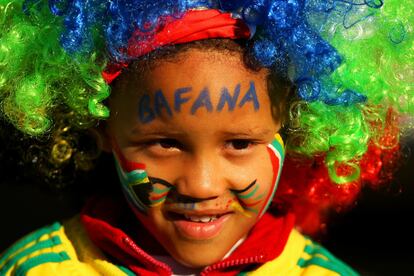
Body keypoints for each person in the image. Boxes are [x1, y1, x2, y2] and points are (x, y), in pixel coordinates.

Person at [0, 0, 412, 275]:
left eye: (239, 143)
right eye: (165, 143)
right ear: (104, 131)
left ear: (296, 128)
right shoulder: (38, 268)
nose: (201, 185)